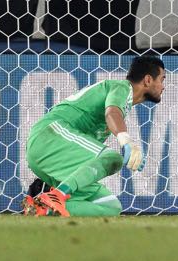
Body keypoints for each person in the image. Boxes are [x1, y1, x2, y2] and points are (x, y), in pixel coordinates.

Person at [22, 55, 165, 217]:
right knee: (113, 158)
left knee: (110, 206)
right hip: (49, 134)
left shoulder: (120, 99)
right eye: (162, 79)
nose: (163, 86)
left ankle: (42, 207)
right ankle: (58, 195)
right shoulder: (122, 87)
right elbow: (112, 112)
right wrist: (126, 141)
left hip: (50, 153)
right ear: (147, 80)